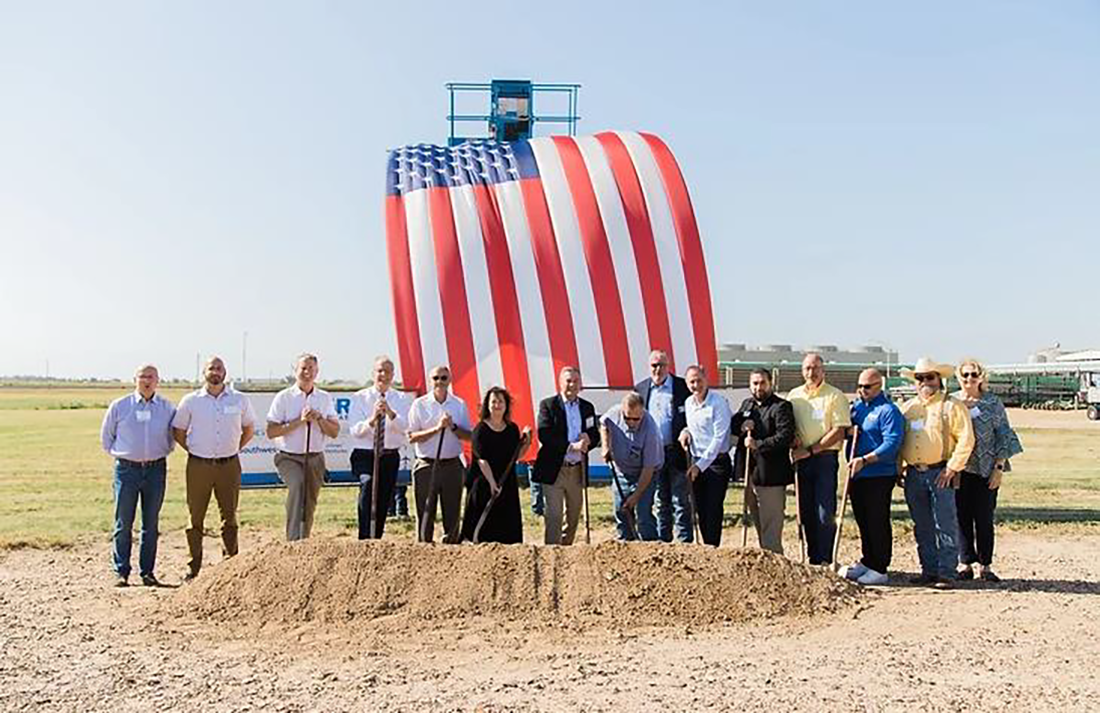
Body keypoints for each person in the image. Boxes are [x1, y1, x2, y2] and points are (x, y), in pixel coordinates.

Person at [172, 356, 256, 581]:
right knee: (195, 517)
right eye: (212, 368)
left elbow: (249, 428)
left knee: (229, 516)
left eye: (219, 368)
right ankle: (194, 566)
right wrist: (193, 449)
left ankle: (231, 564)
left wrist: (234, 448)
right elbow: (178, 431)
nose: (216, 372)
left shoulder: (239, 400)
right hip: (199, 465)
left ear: (225, 372)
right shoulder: (191, 401)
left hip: (229, 465)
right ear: (204, 372)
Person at [899, 357, 975, 588]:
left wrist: (952, 468)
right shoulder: (909, 408)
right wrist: (899, 467)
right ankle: (928, 570)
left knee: (945, 523)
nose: (924, 382)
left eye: (929, 377)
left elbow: (966, 439)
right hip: (913, 473)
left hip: (940, 472)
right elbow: (901, 440)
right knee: (921, 524)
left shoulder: (952, 406)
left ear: (939, 379)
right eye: (920, 378)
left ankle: (946, 572)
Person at [100, 364, 175, 587]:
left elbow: (172, 438)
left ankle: (147, 573)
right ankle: (121, 571)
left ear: (158, 381)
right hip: (127, 470)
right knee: (123, 522)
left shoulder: (167, 408)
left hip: (155, 470)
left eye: (151, 377)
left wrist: (157, 454)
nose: (146, 380)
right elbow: (107, 438)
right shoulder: (120, 406)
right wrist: (125, 455)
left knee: (150, 523)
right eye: (142, 376)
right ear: (135, 379)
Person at [951, 358, 1023, 582]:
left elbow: (1004, 434)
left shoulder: (992, 402)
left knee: (983, 517)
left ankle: (985, 565)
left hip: (986, 468)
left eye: (974, 374)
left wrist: (999, 467)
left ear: (981, 377)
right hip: (960, 469)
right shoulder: (952, 402)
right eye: (965, 375)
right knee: (960, 517)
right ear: (958, 377)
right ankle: (965, 563)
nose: (969, 379)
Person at [840, 369, 905, 586]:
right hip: (857, 474)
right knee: (863, 520)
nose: (862, 390)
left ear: (879, 386)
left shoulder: (888, 411)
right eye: (859, 386)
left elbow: (891, 443)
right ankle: (868, 560)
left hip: (878, 473)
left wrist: (866, 459)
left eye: (867, 387)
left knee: (877, 520)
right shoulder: (857, 408)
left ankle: (880, 567)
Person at [265, 353, 340, 541]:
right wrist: (300, 422)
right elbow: (271, 431)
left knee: (309, 501)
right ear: (295, 371)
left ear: (317, 372)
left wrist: (319, 418)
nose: (307, 372)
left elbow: (334, 431)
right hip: (289, 457)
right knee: (298, 487)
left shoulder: (324, 398)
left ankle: (304, 541)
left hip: (315, 457)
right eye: (303, 368)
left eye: (311, 369)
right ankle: (292, 541)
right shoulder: (283, 397)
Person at [787, 353, 853, 565]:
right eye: (807, 368)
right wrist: (794, 438)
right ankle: (813, 558)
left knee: (824, 512)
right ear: (802, 371)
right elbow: (788, 424)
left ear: (823, 370)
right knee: (805, 511)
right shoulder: (794, 396)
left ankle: (826, 558)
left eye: (815, 368)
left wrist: (812, 450)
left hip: (824, 458)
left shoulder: (835, 396)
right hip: (801, 458)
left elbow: (838, 430)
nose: (811, 372)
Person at [532, 366, 601, 545]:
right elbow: (545, 434)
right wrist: (571, 446)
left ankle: (566, 551)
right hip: (555, 469)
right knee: (554, 516)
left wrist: (589, 439)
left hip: (577, 470)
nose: (572, 385)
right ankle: (551, 554)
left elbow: (595, 434)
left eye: (575, 381)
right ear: (560, 383)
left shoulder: (587, 407)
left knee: (573, 516)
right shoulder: (548, 405)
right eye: (568, 381)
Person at [731, 368, 795, 555]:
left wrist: (758, 444)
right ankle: (765, 556)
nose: (759, 387)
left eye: (762, 383)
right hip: (750, 471)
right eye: (755, 383)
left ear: (770, 383)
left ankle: (775, 559)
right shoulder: (747, 405)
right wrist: (742, 426)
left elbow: (784, 436)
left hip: (772, 473)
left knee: (771, 521)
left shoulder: (781, 406)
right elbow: (734, 424)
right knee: (756, 517)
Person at [348, 356, 412, 540]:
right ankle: (364, 536)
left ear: (393, 375)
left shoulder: (400, 398)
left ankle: (377, 537)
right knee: (368, 485)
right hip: (364, 454)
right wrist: (372, 418)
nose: (382, 375)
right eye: (379, 371)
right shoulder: (360, 398)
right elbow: (355, 430)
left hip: (389, 455)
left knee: (384, 496)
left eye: (387, 371)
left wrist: (390, 413)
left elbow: (405, 427)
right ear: (373, 373)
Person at [406, 365, 472, 543]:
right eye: (436, 378)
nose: (440, 382)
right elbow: (412, 437)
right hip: (426, 465)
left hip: (452, 465)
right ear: (430, 380)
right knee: (425, 512)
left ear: (450, 380)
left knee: (452, 512)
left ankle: (451, 548)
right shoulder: (419, 405)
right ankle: (424, 547)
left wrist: (452, 427)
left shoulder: (459, 404)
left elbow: (469, 436)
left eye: (444, 378)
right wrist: (437, 429)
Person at [634, 349, 693, 542]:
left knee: (680, 500)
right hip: (652, 455)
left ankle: (684, 542)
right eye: (654, 365)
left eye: (661, 365)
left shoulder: (682, 387)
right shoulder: (641, 389)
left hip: (675, 451)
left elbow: (691, 415)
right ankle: (663, 542)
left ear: (668, 366)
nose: (657, 369)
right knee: (661, 502)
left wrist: (686, 430)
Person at [460, 386, 531, 543]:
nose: (497, 405)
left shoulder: (512, 429)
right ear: (488, 405)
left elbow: (516, 457)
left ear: (506, 405)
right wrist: (492, 483)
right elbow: (481, 460)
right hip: (484, 481)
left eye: (500, 401)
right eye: (493, 402)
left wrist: (527, 442)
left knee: (507, 526)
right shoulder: (481, 429)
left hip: (506, 482)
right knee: (482, 525)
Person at [678, 365, 733, 546]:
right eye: (692, 382)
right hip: (696, 460)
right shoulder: (688, 403)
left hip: (716, 463)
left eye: (699, 380)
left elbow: (719, 438)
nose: (696, 385)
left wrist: (699, 466)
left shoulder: (719, 403)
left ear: (706, 379)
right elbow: (694, 428)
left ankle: (713, 547)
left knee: (713, 509)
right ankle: (706, 549)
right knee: (700, 508)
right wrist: (686, 431)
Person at [600, 392, 664, 541]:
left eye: (636, 419)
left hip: (645, 473)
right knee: (621, 511)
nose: (632, 422)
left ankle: (650, 546)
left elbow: (648, 469)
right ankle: (625, 544)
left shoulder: (651, 430)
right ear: (622, 410)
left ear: (642, 412)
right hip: (621, 471)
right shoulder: (614, 414)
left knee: (643, 514)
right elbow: (604, 424)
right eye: (627, 418)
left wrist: (636, 496)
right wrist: (605, 446)